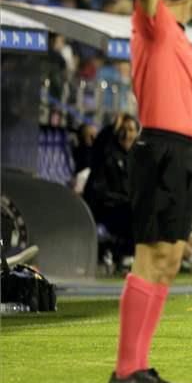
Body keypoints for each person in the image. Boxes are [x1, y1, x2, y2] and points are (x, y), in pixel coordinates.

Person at [109, 0, 192, 383]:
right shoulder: (155, 23)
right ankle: (126, 370)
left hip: (181, 152)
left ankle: (139, 366)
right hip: (160, 150)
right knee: (151, 258)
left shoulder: (182, 38)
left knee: (169, 258)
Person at [83, 114, 140, 272]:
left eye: (131, 130)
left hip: (124, 208)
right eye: (123, 130)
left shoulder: (136, 159)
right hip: (105, 208)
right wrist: (113, 125)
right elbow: (100, 145)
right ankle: (126, 256)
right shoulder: (107, 152)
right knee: (133, 212)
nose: (127, 134)